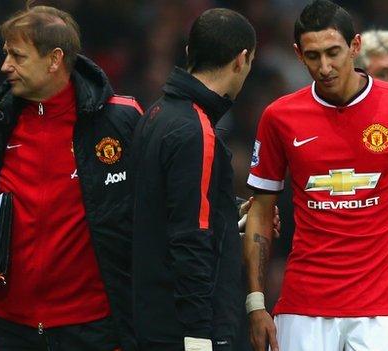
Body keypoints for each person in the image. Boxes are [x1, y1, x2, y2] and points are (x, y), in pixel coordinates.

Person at [243, 1, 388, 351]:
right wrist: (256, 304)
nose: (325, 67)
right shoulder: (279, 117)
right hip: (303, 307)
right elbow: (261, 210)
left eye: (333, 52)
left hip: (381, 309)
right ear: (298, 54)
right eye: (313, 56)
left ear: (355, 46)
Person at [0, 5, 143, 351]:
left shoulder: (121, 121)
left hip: (93, 327)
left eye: (17, 56)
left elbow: (162, 193)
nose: (5, 66)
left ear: (54, 60)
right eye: (6, 54)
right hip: (3, 324)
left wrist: (230, 210)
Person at [130, 8, 256, 351]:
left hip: (153, 318)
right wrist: (199, 336)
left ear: (189, 52)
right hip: (189, 329)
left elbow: (164, 209)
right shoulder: (196, 130)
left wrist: (232, 213)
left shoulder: (157, 113)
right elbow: (190, 237)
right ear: (242, 60)